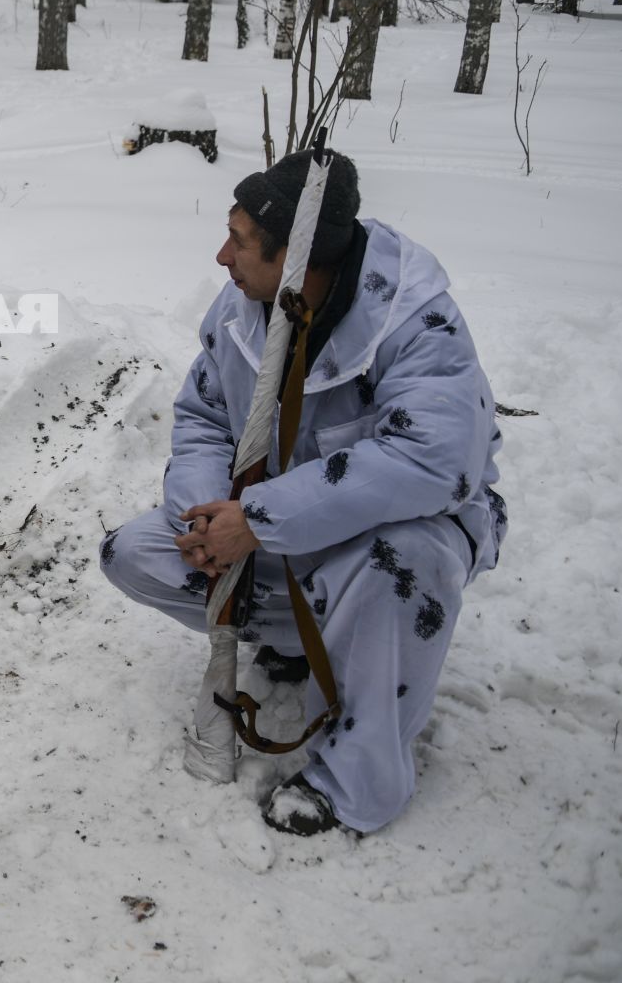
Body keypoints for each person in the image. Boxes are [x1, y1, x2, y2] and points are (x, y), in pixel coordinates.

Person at [99, 150, 506, 836]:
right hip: (276, 530)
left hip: (393, 536)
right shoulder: (245, 304)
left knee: (400, 562)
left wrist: (255, 521)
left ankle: (357, 783)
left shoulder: (414, 323)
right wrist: (205, 516)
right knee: (134, 552)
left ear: (298, 260)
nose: (222, 254)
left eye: (242, 241)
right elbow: (204, 416)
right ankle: (303, 636)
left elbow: (435, 461)